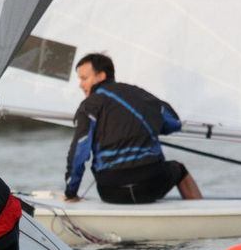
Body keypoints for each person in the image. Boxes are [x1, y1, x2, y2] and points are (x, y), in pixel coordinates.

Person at [65, 53, 202, 204]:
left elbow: (79, 151)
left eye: (84, 78)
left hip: (111, 191)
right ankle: (201, 215)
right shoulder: (141, 95)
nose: (80, 85)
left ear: (101, 76)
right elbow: (174, 123)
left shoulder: (89, 105)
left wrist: (71, 193)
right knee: (179, 169)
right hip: (152, 185)